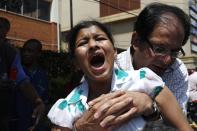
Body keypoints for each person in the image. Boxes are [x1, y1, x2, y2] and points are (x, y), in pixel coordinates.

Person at [47, 20, 192, 131]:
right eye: (83, 43)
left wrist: (150, 107)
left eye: (100, 38)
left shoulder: (146, 80)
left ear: (114, 51)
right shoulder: (65, 109)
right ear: (75, 62)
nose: (93, 45)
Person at [0, 17, 45, 131]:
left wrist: (37, 101)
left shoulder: (9, 52)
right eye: (25, 50)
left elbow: (21, 82)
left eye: (2, 35)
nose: (26, 54)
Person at [15, 39, 49, 131]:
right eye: (24, 50)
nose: (25, 53)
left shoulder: (43, 75)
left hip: (36, 125)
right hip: (17, 123)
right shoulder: (16, 72)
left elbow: (45, 101)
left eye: (29, 51)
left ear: (39, 54)